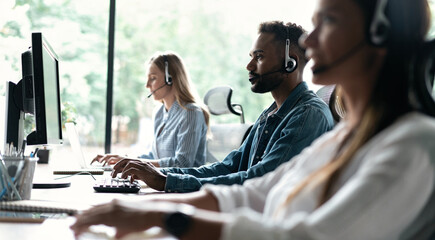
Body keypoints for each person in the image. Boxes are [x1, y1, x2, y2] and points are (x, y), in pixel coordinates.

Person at [71, 0, 435, 239]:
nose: (310, 43)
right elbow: (254, 194)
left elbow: (307, 237)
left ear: (380, 33)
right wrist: (139, 205)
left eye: (330, 21)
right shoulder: (344, 140)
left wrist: (167, 218)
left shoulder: (413, 144)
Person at [109, 21, 334, 193]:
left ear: (290, 61)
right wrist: (156, 173)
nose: (249, 65)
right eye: (251, 56)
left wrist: (165, 181)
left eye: (259, 57)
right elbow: (228, 167)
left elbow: (261, 179)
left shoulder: (307, 114)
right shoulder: (270, 113)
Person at [92, 52, 210, 168]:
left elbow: (182, 163)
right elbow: (154, 156)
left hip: (184, 186)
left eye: (153, 78)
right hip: (161, 184)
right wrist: (122, 159)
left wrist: (129, 161)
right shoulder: (159, 112)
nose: (147, 85)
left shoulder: (190, 113)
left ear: (170, 78)